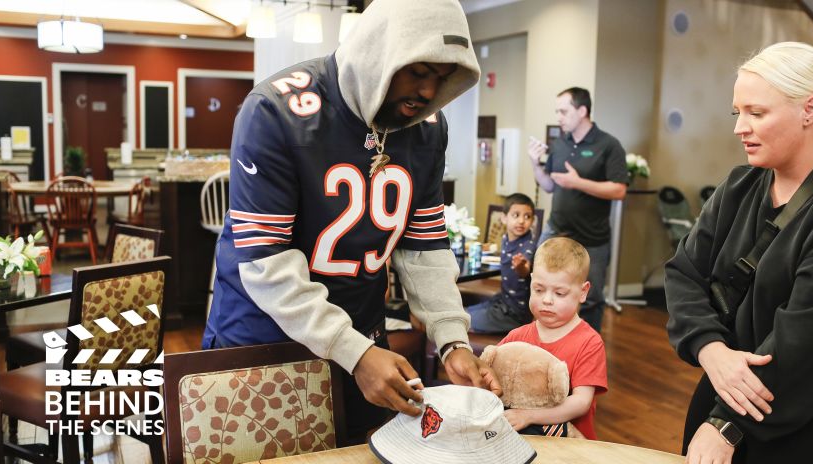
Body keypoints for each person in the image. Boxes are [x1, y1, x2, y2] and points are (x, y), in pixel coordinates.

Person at [202, 0, 500, 444]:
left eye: (441, 78)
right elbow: (267, 262)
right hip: (267, 338)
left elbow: (423, 245)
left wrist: (452, 338)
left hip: (363, 337)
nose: (426, 91)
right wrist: (354, 351)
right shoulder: (275, 111)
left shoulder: (427, 128)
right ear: (378, 49)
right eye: (417, 70)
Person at [666, 42, 813, 464]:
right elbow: (683, 274)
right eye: (738, 113)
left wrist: (726, 426)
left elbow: (804, 341)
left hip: (787, 421)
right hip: (719, 394)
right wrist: (711, 350)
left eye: (757, 112)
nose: (740, 128)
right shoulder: (738, 186)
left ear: (810, 109)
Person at [527, 87, 628, 332]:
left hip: (592, 237)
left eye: (563, 111)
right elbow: (550, 185)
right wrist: (534, 164)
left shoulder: (609, 145)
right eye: (557, 111)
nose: (559, 117)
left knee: (592, 299)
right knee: (540, 285)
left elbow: (619, 190)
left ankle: (588, 353)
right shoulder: (560, 144)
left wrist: (578, 182)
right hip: (556, 230)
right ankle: (541, 344)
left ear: (582, 111)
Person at [500, 237, 608, 439]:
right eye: (539, 290)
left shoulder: (589, 343)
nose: (547, 300)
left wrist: (529, 416)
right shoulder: (516, 337)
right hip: (521, 442)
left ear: (583, 292)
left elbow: (581, 402)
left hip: (570, 449)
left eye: (559, 293)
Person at [466, 193, 537, 333]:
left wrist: (521, 266)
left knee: (461, 321)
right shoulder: (506, 238)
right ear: (504, 218)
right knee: (463, 312)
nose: (522, 221)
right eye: (516, 215)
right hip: (503, 301)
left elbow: (525, 270)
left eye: (527, 216)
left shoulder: (528, 245)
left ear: (532, 220)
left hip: (515, 314)